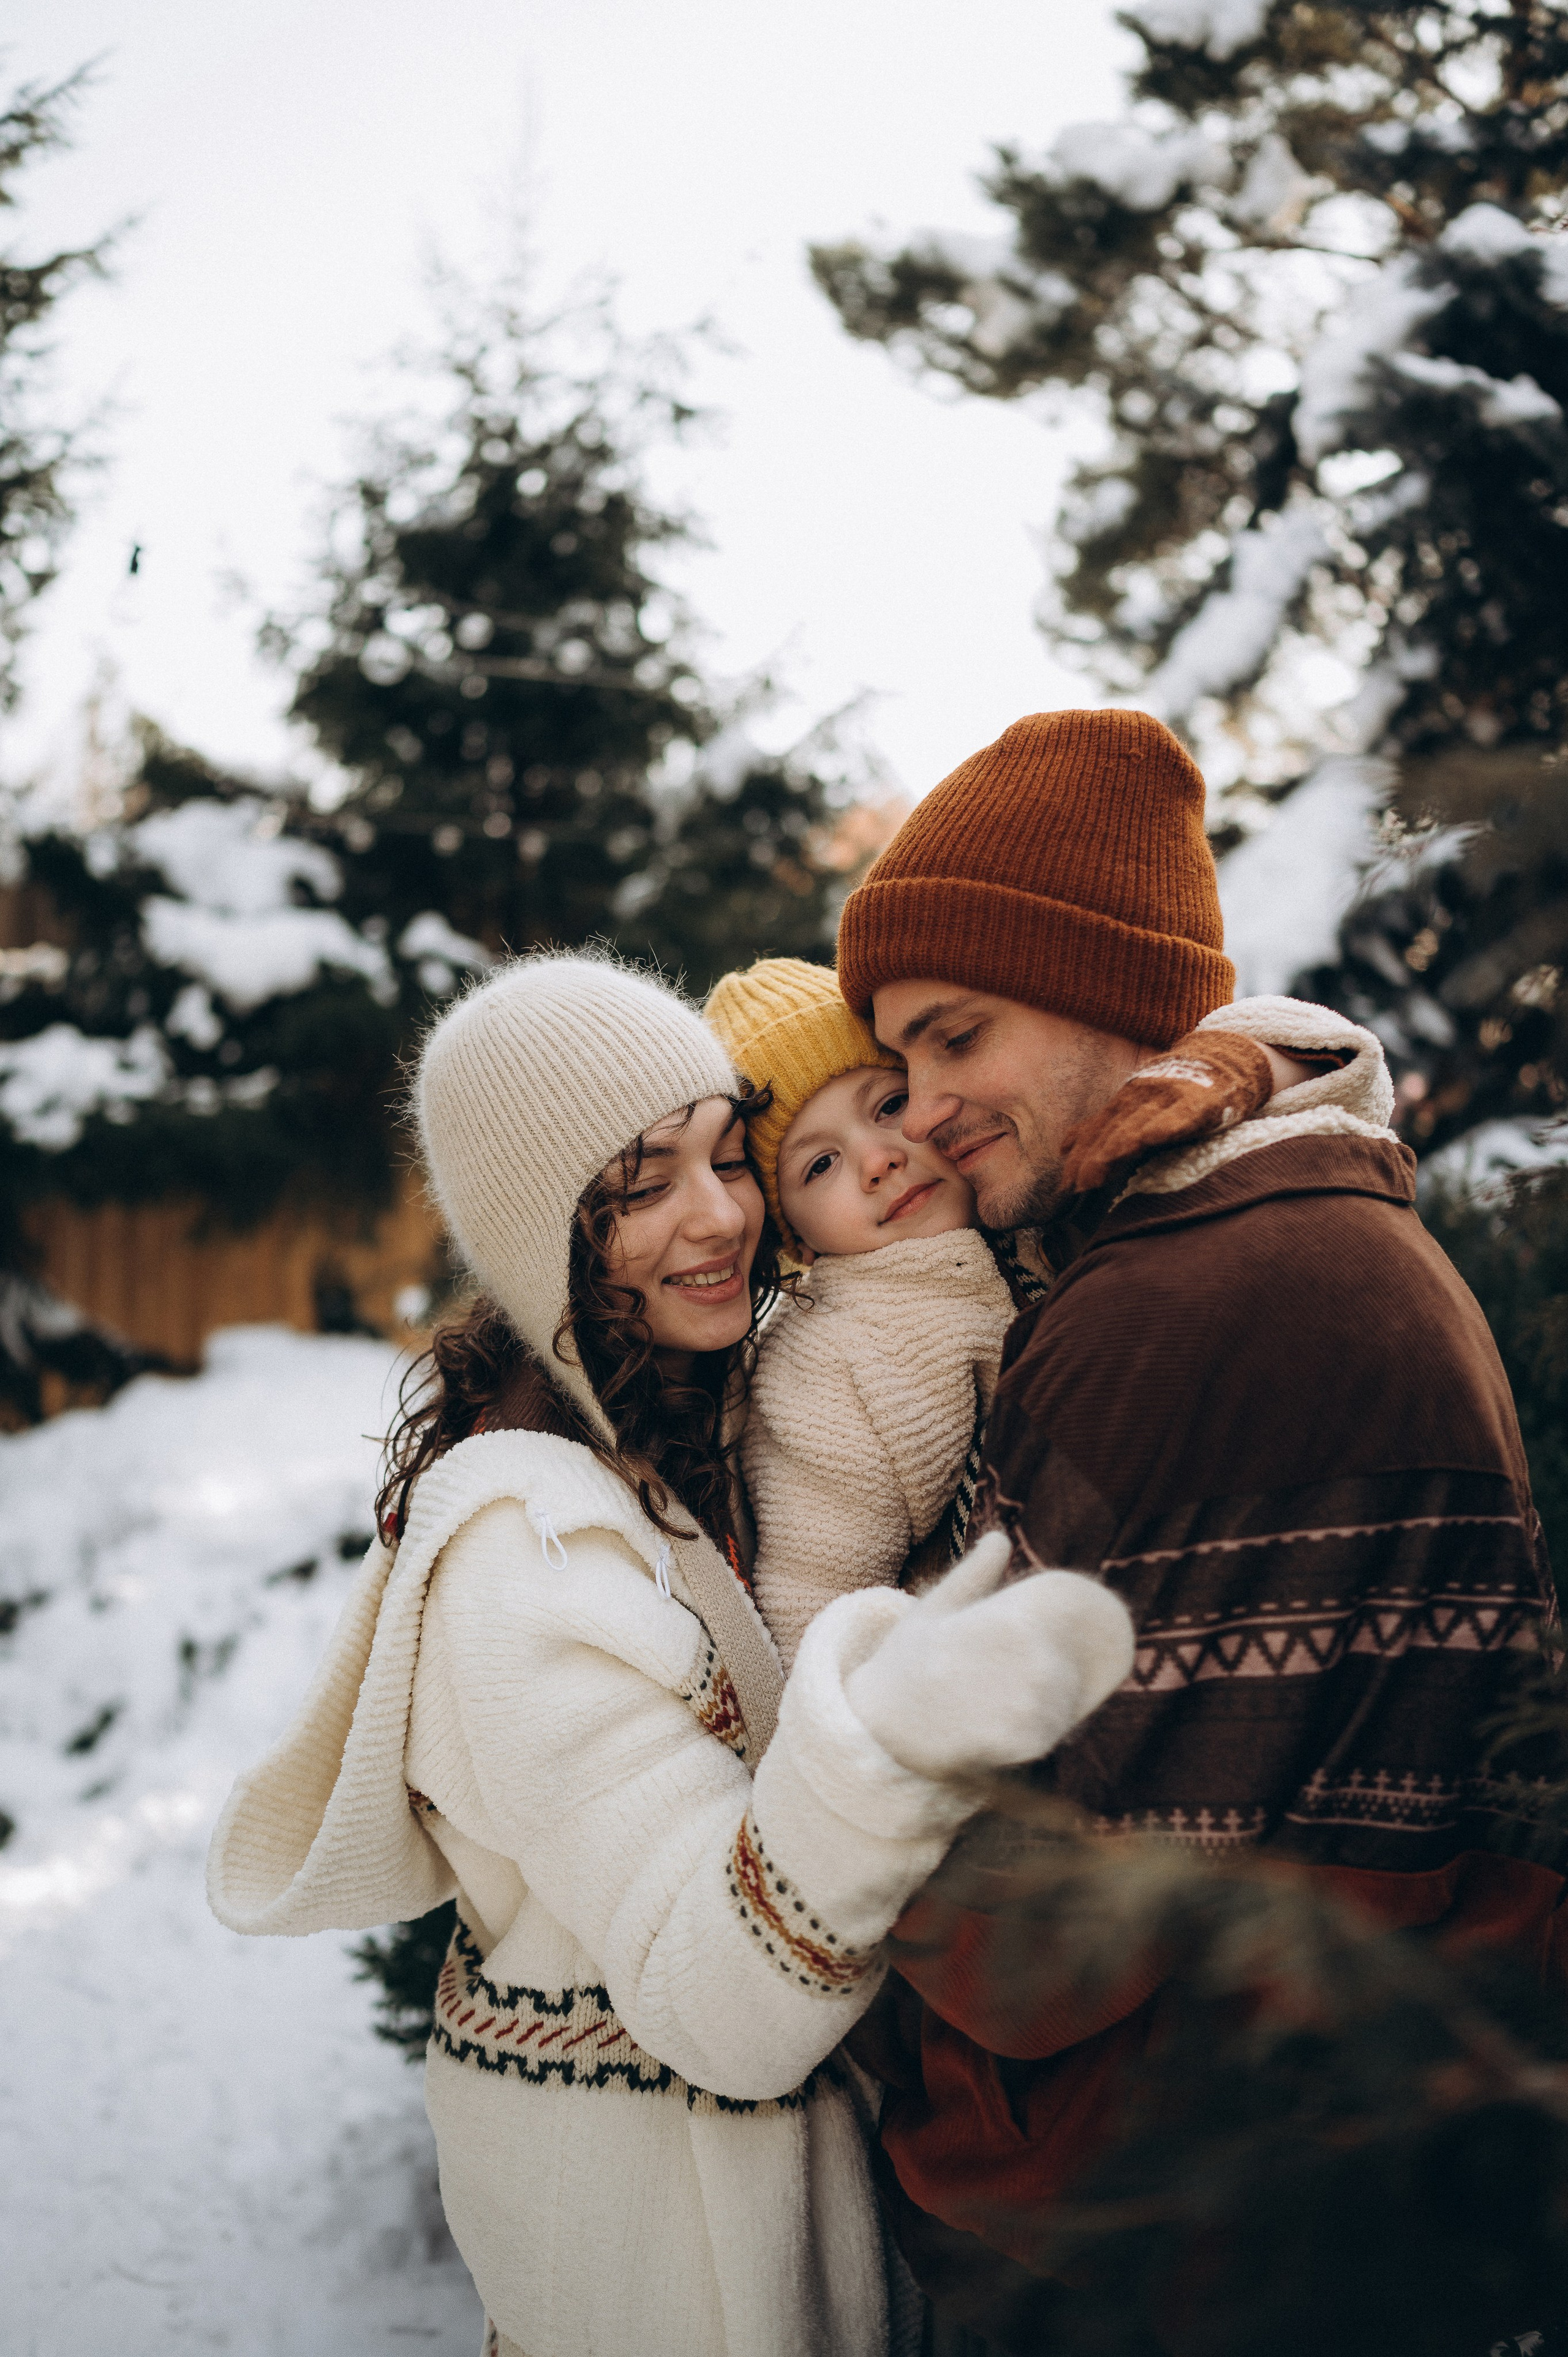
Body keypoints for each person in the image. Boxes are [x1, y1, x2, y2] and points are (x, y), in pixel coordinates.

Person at [206, 948, 1136, 2357]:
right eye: (639, 1184)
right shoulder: (527, 1557)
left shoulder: (679, 1439)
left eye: (727, 1154)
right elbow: (725, 2002)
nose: (719, 1216)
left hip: (794, 2224)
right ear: (543, 1230)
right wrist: (892, 1722)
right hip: (657, 2265)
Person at [833, 706, 1564, 2350]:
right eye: (898, 1064)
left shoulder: (1179, 1305)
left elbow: (1027, 1921)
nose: (920, 1107)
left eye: (959, 1037)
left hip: (1153, 2245)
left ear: (1105, 990)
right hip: (1337, 2203)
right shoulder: (1310, 1220)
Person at [704, 955, 1017, 1670]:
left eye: (887, 1106)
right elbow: (813, 1617)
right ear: (797, 1240)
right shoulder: (830, 1366)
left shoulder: (1023, 1204)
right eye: (820, 1165)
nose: (876, 1160)